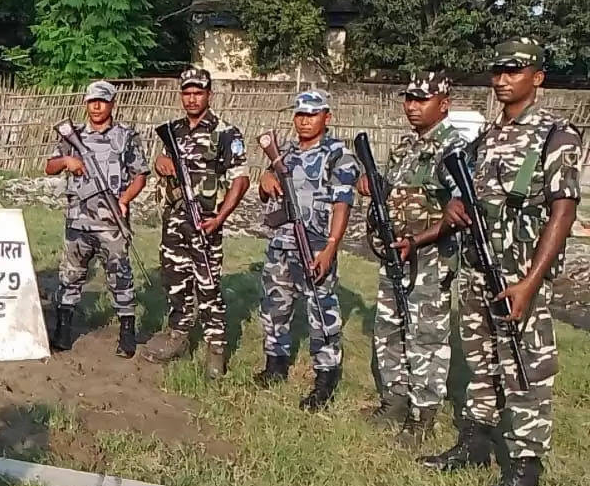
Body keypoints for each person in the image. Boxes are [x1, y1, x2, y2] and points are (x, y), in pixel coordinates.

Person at [419, 38, 582, 486]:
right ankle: (475, 443)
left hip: (519, 275)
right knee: (482, 363)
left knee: (526, 367)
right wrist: (452, 206)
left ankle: (525, 470)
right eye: (498, 70)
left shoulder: (556, 134)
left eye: (514, 70)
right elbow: (460, 192)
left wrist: (530, 283)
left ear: (538, 77)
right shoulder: (485, 138)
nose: (502, 79)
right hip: (477, 270)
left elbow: (563, 213)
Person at [356, 72, 466, 444]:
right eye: (409, 99)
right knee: (389, 327)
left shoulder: (454, 148)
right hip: (396, 255)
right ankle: (395, 399)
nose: (412, 106)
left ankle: (423, 415)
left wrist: (419, 240)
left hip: (431, 259)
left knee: (426, 335)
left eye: (422, 99)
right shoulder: (404, 148)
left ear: (444, 103)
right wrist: (372, 186)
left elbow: (459, 209)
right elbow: (392, 195)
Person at [142, 68, 249, 377]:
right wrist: (160, 164)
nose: (192, 98)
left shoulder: (226, 133)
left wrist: (220, 218)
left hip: (205, 222)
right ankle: (178, 334)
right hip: (173, 219)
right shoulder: (173, 130)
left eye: (198, 93)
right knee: (174, 278)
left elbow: (240, 180)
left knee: (208, 285)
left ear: (209, 95)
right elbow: (162, 163)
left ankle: (216, 346)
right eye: (187, 93)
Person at [256, 89, 358, 411]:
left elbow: (343, 205)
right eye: (299, 114)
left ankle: (325, 378)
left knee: (321, 311)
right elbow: (266, 190)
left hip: (313, 245)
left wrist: (330, 248)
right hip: (280, 243)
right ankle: (275, 365)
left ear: (326, 117)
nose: (304, 121)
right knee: (274, 306)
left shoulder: (338, 156)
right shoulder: (283, 152)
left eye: (312, 115)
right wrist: (265, 178)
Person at [46, 80, 148, 357]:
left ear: (112, 103)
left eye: (102, 101)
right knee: (70, 276)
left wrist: (124, 200)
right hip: (78, 221)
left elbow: (140, 174)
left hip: (111, 223)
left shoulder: (126, 136)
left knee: (120, 277)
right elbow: (50, 166)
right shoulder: (72, 135)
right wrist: (68, 162)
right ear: (86, 104)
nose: (97, 106)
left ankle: (127, 333)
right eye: (92, 102)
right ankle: (63, 330)